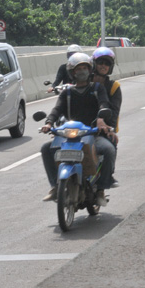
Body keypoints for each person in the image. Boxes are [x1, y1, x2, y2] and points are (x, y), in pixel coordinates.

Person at [40, 52, 115, 206]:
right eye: (78, 68)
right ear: (72, 72)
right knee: (46, 148)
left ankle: (101, 189)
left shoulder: (97, 88)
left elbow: (104, 104)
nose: (82, 71)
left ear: (90, 70)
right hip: (69, 135)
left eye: (85, 68)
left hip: (93, 133)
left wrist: (101, 119)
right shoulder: (67, 92)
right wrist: (48, 123)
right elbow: (56, 110)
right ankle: (55, 186)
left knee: (108, 150)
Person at [91, 47, 122, 187]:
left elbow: (114, 111)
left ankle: (106, 178)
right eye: (101, 62)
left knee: (110, 144)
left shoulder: (114, 87)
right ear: (94, 64)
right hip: (83, 127)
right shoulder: (84, 83)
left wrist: (109, 128)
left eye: (107, 63)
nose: (103, 66)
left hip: (105, 126)